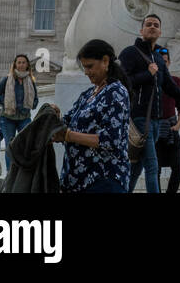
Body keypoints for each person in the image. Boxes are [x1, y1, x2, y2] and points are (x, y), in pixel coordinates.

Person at [120, 13, 180, 194]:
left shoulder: (158, 58)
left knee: (138, 166)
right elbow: (122, 82)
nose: (152, 27)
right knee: (152, 165)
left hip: (157, 121)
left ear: (160, 32)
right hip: (141, 117)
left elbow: (171, 88)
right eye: (148, 24)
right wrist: (147, 74)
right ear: (142, 30)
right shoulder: (130, 53)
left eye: (156, 25)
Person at [54, 39, 130, 193]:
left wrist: (69, 136)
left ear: (105, 61)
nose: (86, 72)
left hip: (103, 180)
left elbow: (110, 140)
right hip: (77, 181)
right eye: (84, 67)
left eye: (90, 66)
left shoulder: (116, 92)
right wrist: (54, 116)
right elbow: (66, 123)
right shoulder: (88, 94)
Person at [0, 53, 39, 169]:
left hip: (24, 117)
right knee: (10, 146)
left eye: (24, 62)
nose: (21, 65)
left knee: (26, 144)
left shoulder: (30, 81)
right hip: (7, 118)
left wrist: (32, 104)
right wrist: (7, 103)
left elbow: (36, 98)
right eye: (19, 62)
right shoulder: (7, 79)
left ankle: (23, 172)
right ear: (15, 65)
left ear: (27, 64)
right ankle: (10, 174)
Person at [155, 48, 180, 195]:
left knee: (178, 167)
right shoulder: (150, 83)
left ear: (169, 63)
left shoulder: (176, 81)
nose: (162, 64)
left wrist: (177, 126)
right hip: (155, 130)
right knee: (155, 169)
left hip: (172, 129)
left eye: (165, 62)